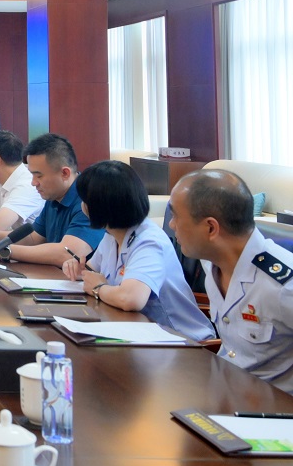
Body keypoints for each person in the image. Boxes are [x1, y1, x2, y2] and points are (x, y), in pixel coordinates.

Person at [62, 160, 215, 341]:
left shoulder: (149, 241)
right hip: (139, 332)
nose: (83, 205)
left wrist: (98, 288)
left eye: (85, 201)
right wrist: (77, 269)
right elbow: (91, 272)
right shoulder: (112, 235)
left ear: (99, 206)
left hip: (183, 341)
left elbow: (131, 299)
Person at [170, 169, 293, 393]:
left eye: (176, 216)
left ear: (210, 228)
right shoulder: (210, 263)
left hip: (271, 408)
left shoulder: (282, 286)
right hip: (223, 391)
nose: (171, 225)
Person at [0, 133, 105, 266]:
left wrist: (6, 251)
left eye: (39, 176)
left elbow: (67, 254)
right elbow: (34, 238)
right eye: (32, 175)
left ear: (64, 173)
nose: (33, 183)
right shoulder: (54, 196)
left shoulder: (88, 200)